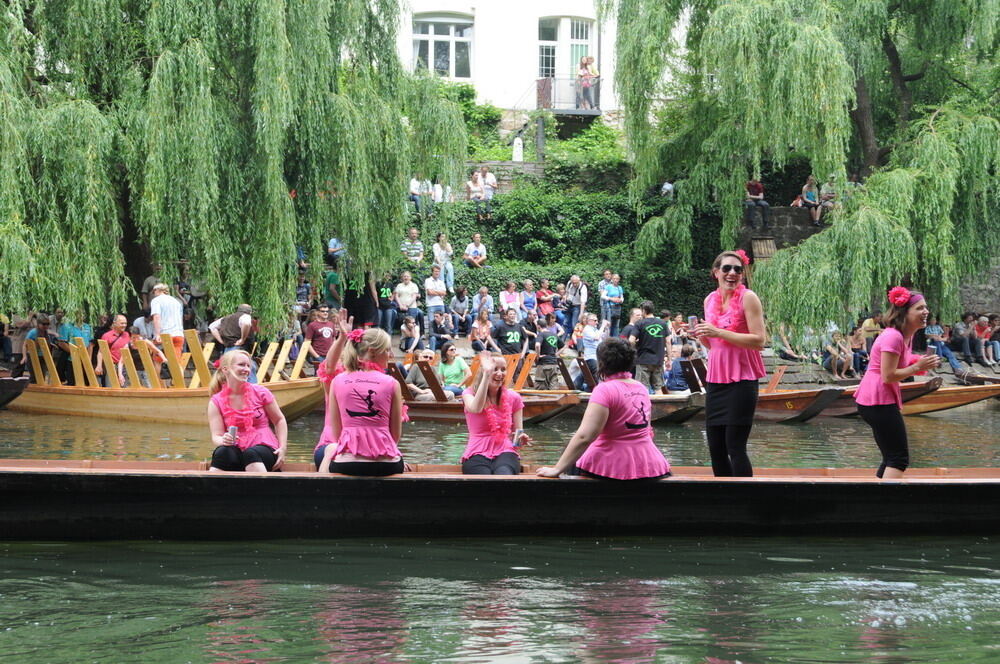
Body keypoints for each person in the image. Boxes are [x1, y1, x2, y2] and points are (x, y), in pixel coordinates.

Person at [537, 338, 671, 480]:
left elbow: (585, 436)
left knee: (571, 454)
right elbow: (647, 431)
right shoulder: (641, 388)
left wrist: (557, 469)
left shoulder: (604, 390)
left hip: (612, 464)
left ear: (602, 363)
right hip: (649, 463)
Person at [693, 250, 767, 478]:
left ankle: (745, 501)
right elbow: (713, 345)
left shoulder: (749, 298)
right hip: (716, 378)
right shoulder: (709, 300)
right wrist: (700, 335)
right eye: (726, 268)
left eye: (737, 269)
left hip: (742, 379)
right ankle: (723, 498)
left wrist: (718, 331)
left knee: (734, 446)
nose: (732, 273)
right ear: (716, 272)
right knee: (716, 448)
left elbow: (759, 341)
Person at [854, 287, 940, 479]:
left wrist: (919, 361)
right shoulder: (893, 336)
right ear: (904, 312)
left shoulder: (904, 336)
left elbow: (901, 361)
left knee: (890, 457)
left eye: (926, 307)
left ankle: (878, 497)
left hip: (875, 400)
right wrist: (917, 367)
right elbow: (888, 375)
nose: (926, 311)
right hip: (877, 400)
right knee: (898, 459)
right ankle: (888, 501)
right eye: (919, 308)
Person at [318, 328, 404, 476]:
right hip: (388, 465)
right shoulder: (392, 383)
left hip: (347, 464)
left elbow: (337, 434)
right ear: (372, 351)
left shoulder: (337, 381)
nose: (390, 355)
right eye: (387, 350)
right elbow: (395, 435)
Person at [207, 350, 287, 472]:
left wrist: (283, 448)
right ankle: (211, 489)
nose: (246, 369)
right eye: (241, 365)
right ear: (225, 369)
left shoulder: (261, 392)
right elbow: (216, 436)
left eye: (248, 366)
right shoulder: (216, 401)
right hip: (237, 447)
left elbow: (279, 420)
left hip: (264, 447)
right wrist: (223, 440)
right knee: (222, 452)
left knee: (251, 454)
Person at [461, 351, 530, 474]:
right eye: (495, 369)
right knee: (484, 477)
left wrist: (521, 440)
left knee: (504, 473)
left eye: (503, 369)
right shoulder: (469, 393)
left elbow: (517, 438)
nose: (499, 373)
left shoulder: (514, 397)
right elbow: (476, 408)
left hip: (505, 450)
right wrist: (486, 374)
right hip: (476, 450)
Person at [209, 303, 258, 383]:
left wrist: (221, 341)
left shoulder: (225, 318)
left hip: (228, 349)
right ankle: (253, 388)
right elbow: (246, 323)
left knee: (230, 370)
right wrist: (242, 339)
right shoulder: (246, 316)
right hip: (240, 349)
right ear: (250, 311)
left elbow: (212, 326)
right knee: (249, 367)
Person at [630, 301, 669, 393]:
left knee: (643, 388)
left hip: (643, 360)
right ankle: (660, 407)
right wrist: (669, 359)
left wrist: (635, 347)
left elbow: (631, 340)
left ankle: (644, 407)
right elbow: (668, 341)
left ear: (644, 310)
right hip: (658, 360)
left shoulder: (640, 323)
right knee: (658, 387)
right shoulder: (662, 323)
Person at [150, 283, 185, 360]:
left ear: (157, 290)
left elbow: (156, 317)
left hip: (165, 334)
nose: (154, 294)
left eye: (154, 291)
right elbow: (180, 319)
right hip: (178, 334)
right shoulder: (176, 301)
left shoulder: (156, 300)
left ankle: (156, 372)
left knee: (157, 359)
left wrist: (157, 334)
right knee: (176, 362)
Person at [576, 313, 609, 391]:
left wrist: (606, 328)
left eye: (597, 320)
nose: (597, 322)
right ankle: (598, 392)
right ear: (589, 321)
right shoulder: (587, 329)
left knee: (587, 376)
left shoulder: (595, 329)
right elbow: (596, 337)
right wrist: (603, 326)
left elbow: (605, 338)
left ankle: (578, 387)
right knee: (596, 377)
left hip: (596, 357)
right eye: (595, 320)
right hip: (591, 357)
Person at [534, 314, 564, 389]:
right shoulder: (554, 335)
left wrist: (538, 355)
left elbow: (537, 345)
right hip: (554, 364)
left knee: (540, 388)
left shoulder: (541, 334)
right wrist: (556, 354)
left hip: (543, 364)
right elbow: (563, 346)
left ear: (538, 326)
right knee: (554, 387)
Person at [305, 305, 337, 373]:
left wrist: (335, 352)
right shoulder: (312, 325)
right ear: (317, 312)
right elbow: (307, 342)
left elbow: (334, 340)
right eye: (322, 311)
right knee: (319, 375)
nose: (325, 313)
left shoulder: (331, 324)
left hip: (330, 355)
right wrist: (316, 356)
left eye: (327, 311)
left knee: (331, 374)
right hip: (319, 354)